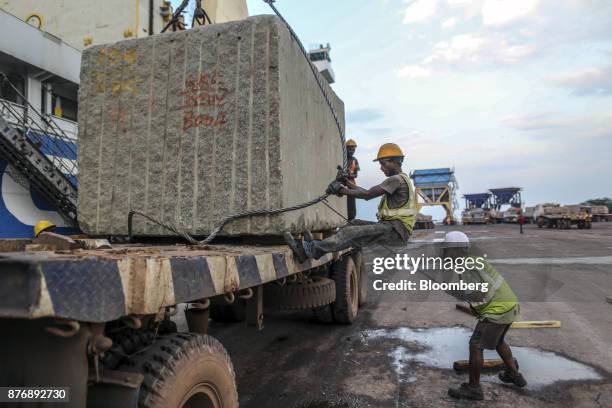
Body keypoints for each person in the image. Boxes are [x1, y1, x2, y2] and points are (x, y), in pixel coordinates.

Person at [284, 143, 416, 262]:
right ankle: (314, 248)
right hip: (392, 228)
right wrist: (346, 183)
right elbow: (364, 191)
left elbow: (367, 194)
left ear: (395, 162)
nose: (381, 168)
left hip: (396, 230)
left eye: (383, 163)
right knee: (353, 224)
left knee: (349, 233)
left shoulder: (396, 180)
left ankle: (310, 250)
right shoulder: (400, 179)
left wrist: (341, 190)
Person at [442, 231, 527, 401]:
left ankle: (474, 389)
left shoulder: (465, 265)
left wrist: (454, 291)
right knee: (499, 341)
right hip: (509, 305)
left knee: (476, 346)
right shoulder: (473, 260)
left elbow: (478, 294)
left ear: (456, 250)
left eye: (447, 250)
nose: (444, 254)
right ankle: (514, 375)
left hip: (497, 310)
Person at [345, 139, 360, 221]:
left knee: (351, 200)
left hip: (351, 183)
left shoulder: (355, 160)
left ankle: (351, 218)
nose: (352, 151)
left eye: (353, 149)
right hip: (342, 182)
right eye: (350, 149)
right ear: (345, 149)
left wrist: (349, 175)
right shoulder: (342, 158)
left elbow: (356, 174)